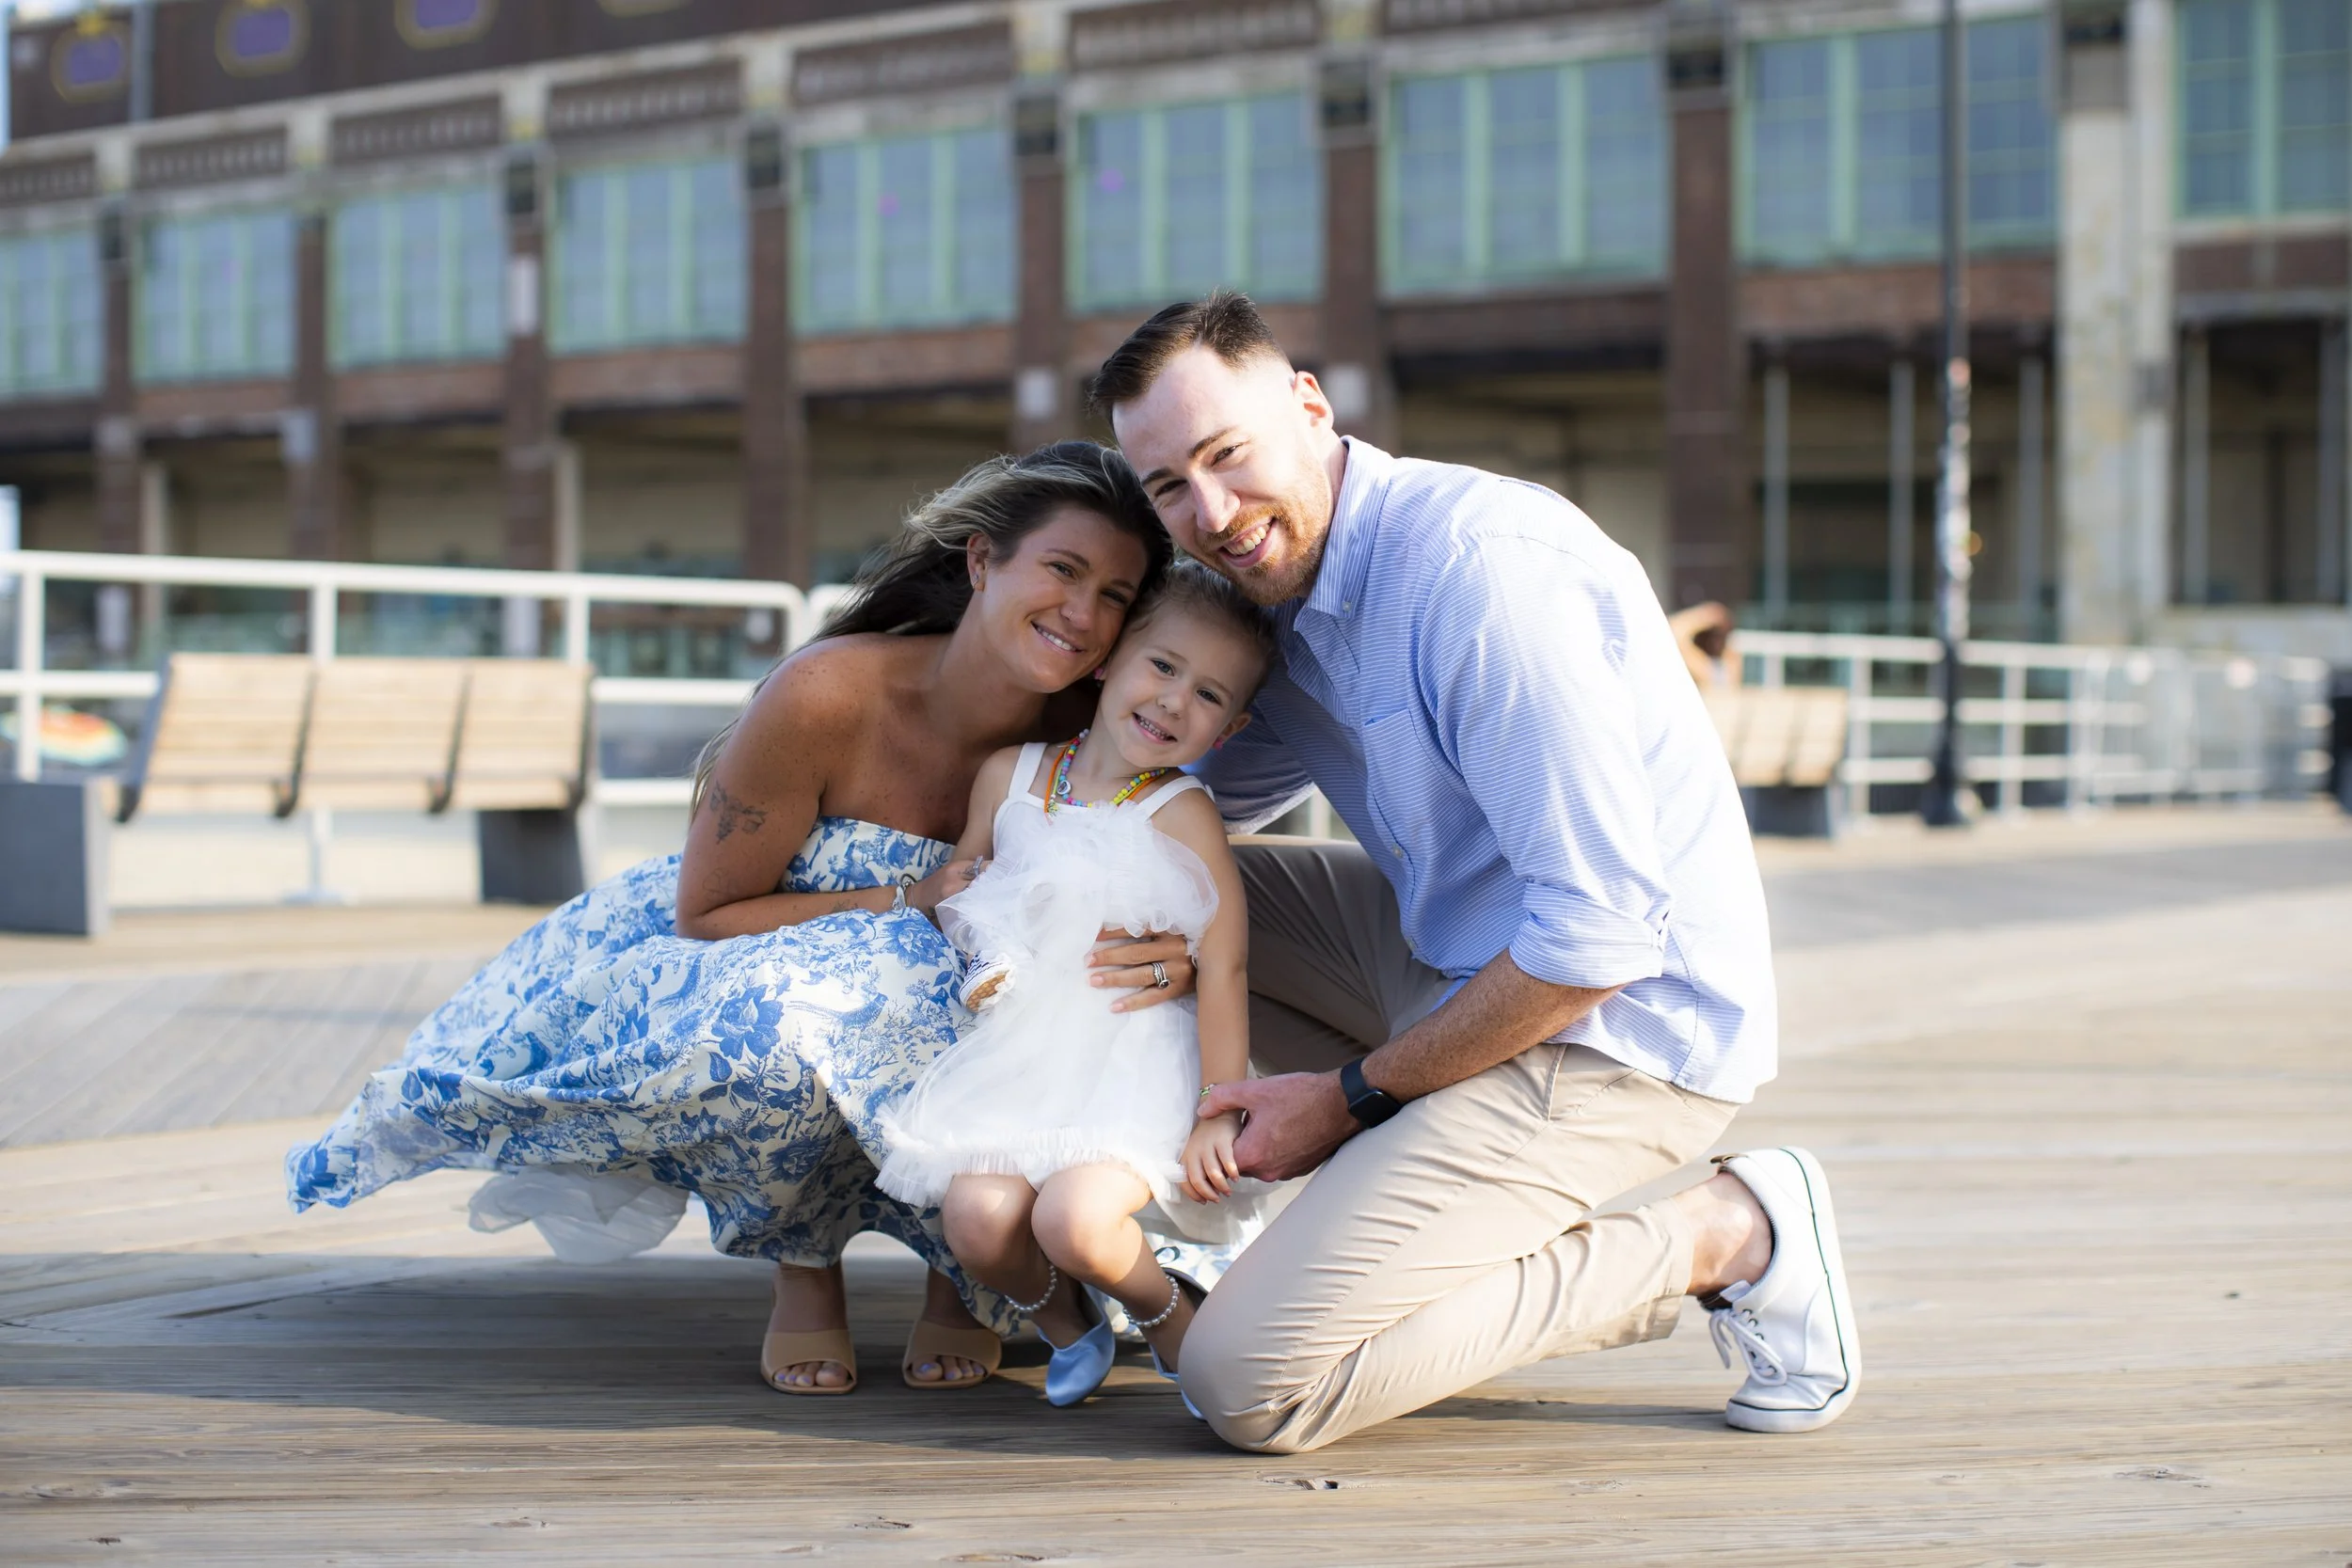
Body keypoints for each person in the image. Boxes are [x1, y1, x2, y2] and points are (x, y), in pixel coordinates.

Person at [1092, 293, 1861, 1453]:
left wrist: (1352, 1098)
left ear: (1308, 406)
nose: (1210, 512)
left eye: (1226, 454)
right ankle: (1079, 1215)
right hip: (1453, 958)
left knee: (1248, 1383)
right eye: (1167, 487)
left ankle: (1727, 1234)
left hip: (1617, 1031)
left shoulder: (1477, 574)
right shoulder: (1276, 600)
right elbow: (1173, 801)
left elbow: (1597, 940)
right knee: (1147, 883)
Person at [284, 442, 1201, 1398]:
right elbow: (712, 910)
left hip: (979, 970)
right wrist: (905, 900)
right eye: (1062, 569)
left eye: (1114, 596)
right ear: (981, 562)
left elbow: (1154, 858)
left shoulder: (1098, 729)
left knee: (1011, 1004)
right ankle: (804, 1265)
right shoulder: (827, 693)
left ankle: (960, 1280)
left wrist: (1168, 952)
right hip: (773, 939)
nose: (1082, 614)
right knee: (777, 1024)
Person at [877, 562, 1278, 1409]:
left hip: (1129, 1057)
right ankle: (1069, 1323)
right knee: (977, 1223)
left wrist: (1221, 1107)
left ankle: (1168, 1316)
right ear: (1108, 660)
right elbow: (966, 885)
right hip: (1024, 1049)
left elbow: (1224, 961)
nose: (1174, 701)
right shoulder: (1011, 776)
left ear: (1230, 726)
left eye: (1208, 695)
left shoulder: (1180, 811)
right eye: (1161, 666)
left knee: (1075, 1221)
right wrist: (978, 940)